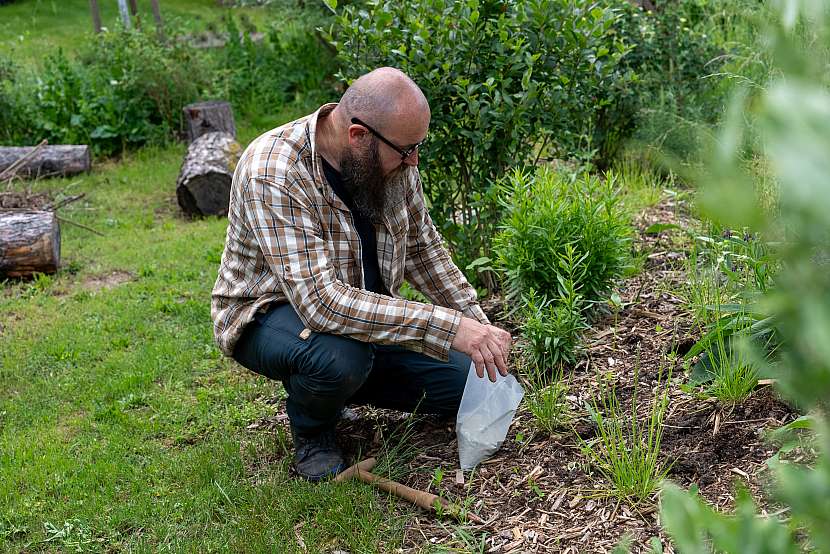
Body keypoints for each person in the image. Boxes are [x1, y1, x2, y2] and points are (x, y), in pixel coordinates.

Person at [211, 67, 512, 481]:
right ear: (358, 136)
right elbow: (321, 305)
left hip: (362, 317)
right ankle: (314, 434)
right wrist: (446, 326)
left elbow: (425, 252)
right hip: (270, 315)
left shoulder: (391, 163)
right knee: (337, 358)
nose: (415, 160)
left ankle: (348, 382)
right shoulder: (274, 171)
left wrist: (478, 330)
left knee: (466, 384)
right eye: (407, 149)